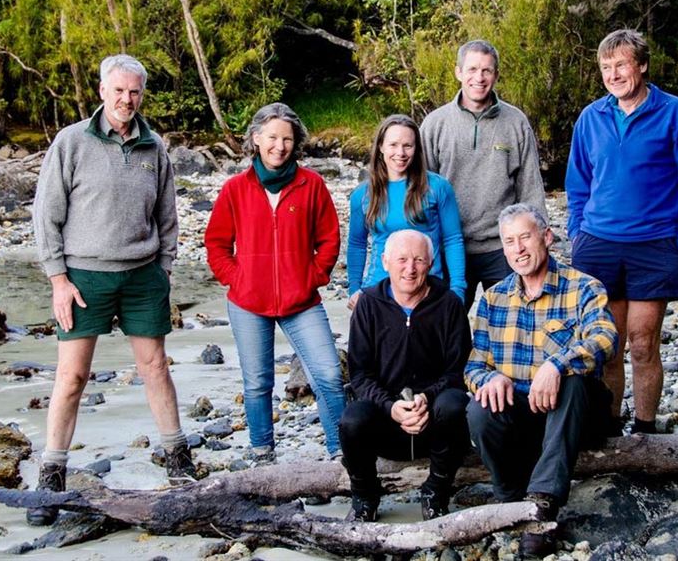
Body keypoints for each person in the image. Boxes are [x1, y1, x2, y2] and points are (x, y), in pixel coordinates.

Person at [29, 54, 193, 526]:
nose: (126, 99)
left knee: (156, 367)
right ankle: (53, 472)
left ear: (142, 94)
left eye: (134, 92)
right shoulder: (72, 142)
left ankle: (178, 461)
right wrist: (58, 279)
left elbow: (167, 216)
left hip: (143, 275)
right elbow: (46, 214)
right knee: (72, 378)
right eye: (118, 90)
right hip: (83, 277)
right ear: (102, 91)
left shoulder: (153, 146)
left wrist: (163, 269)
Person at [565, 28, 678, 436]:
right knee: (608, 348)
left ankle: (646, 431)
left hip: (655, 245)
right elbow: (578, 184)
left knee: (644, 344)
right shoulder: (591, 118)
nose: (613, 74)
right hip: (598, 245)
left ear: (641, 66)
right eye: (606, 67)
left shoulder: (675, 112)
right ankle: (609, 428)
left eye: (621, 65)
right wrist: (577, 232)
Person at [465, 204, 616, 557]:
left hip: (576, 414)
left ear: (546, 237)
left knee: (575, 382)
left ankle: (541, 507)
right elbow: (473, 366)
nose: (518, 249)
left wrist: (556, 365)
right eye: (508, 241)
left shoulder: (583, 288)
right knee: (479, 407)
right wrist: (489, 379)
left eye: (525, 238)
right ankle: (510, 497)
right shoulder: (493, 298)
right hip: (523, 413)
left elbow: (606, 338)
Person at [204, 103, 346, 461]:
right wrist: (238, 279)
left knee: (328, 375)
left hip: (302, 302)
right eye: (272, 138)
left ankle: (342, 452)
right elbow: (217, 243)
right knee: (257, 383)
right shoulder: (236, 189)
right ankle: (262, 453)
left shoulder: (311, 184)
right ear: (256, 139)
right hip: (248, 303)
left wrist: (312, 276)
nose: (279, 146)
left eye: (286, 139)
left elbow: (329, 238)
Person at [340, 230, 471, 522]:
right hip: (386, 418)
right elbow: (360, 374)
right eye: (401, 259)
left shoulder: (449, 304)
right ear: (385, 262)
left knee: (454, 403)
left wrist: (428, 397)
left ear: (431, 263)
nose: (409, 268)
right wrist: (391, 407)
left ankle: (437, 488)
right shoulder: (369, 304)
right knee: (351, 419)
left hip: (434, 420)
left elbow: (458, 370)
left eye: (418, 260)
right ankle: (364, 494)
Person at [420, 39, 547, 309]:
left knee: (513, 326)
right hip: (450, 248)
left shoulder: (516, 122)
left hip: (503, 248)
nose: (479, 77)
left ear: (496, 75)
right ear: (458, 72)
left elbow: (530, 188)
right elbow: (420, 192)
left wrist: (539, 240)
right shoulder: (435, 124)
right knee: (446, 329)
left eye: (487, 71)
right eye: (472, 69)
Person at [347, 115, 466, 309]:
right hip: (378, 293)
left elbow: (453, 239)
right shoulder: (362, 194)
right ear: (381, 147)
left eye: (407, 145)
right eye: (393, 145)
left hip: (427, 291)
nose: (400, 153)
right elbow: (356, 244)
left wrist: (458, 289)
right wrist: (354, 289)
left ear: (417, 148)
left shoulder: (438, 187)